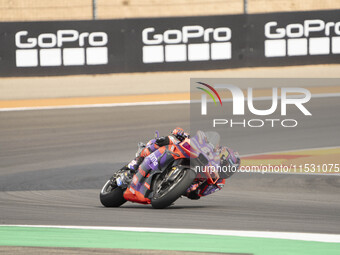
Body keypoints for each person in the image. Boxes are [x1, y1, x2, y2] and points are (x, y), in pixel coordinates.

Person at [119, 128, 240, 200]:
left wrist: (192, 189)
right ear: (222, 156)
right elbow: (198, 140)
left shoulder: (218, 183)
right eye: (227, 166)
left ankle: (163, 187)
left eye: (230, 171)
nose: (227, 171)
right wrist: (182, 134)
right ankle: (135, 164)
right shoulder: (212, 152)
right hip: (187, 155)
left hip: (181, 184)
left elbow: (197, 195)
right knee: (169, 140)